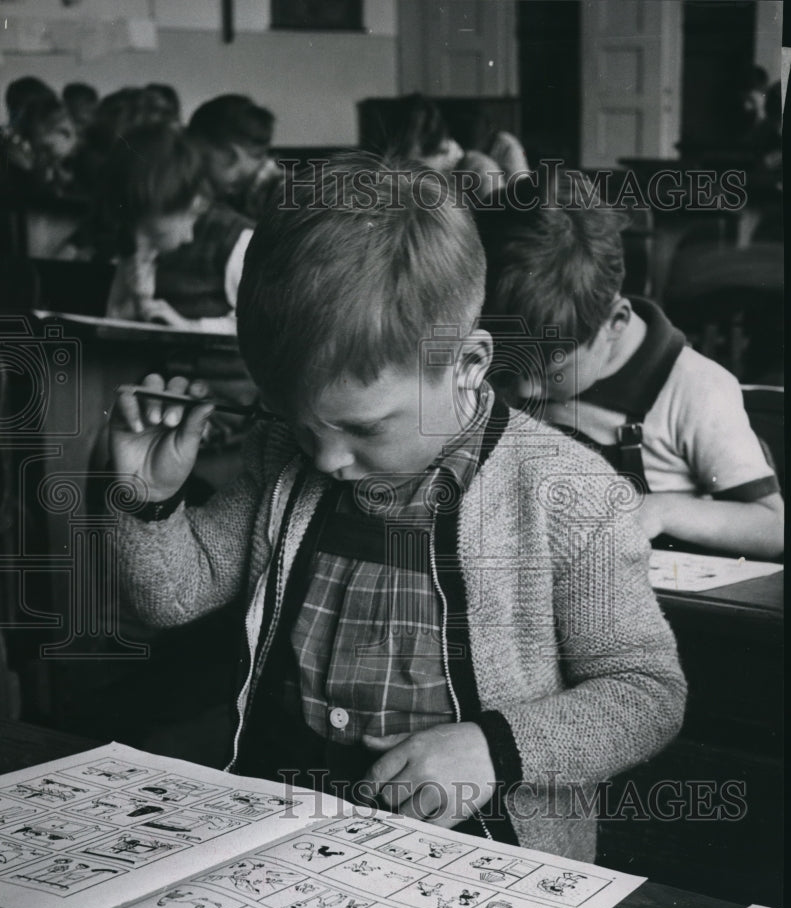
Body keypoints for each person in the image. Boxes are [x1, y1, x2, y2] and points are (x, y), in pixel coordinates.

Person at [109, 154, 685, 863]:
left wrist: (493, 750)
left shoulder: (567, 494)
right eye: (301, 422)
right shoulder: (283, 456)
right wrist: (147, 498)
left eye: (362, 428)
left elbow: (645, 692)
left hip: (485, 859)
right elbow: (172, 599)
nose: (324, 461)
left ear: (469, 363)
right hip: (284, 833)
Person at [477, 167, 784, 559]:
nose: (522, 389)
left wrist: (661, 510)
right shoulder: (516, 357)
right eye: (510, 365)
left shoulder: (693, 388)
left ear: (615, 322)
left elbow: (773, 526)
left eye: (546, 369)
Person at [92, 121, 254, 332]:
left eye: (152, 235)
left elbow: (265, 324)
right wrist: (131, 304)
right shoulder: (134, 236)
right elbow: (111, 319)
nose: (137, 243)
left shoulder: (235, 240)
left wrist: (192, 327)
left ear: (191, 206)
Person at [188, 94, 281, 219]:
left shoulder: (285, 197)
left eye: (203, 159)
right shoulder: (240, 195)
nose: (195, 169)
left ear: (230, 155)